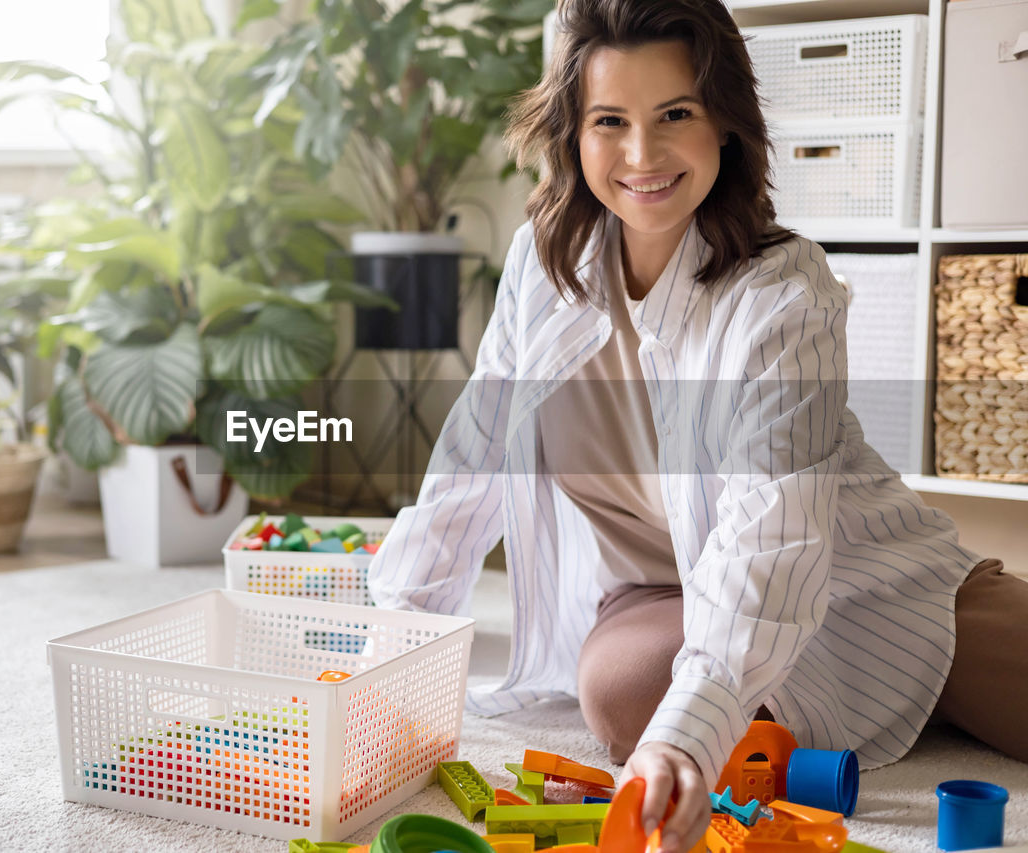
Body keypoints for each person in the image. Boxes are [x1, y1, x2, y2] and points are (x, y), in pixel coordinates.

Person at [366, 1, 1028, 852]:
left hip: (867, 586)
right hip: (666, 598)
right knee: (616, 689)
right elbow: (476, 453)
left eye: (674, 114)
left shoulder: (784, 296)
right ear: (573, 132)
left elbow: (772, 539)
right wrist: (392, 646)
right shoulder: (543, 262)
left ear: (725, 121)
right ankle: (783, 703)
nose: (642, 156)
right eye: (610, 122)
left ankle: (874, 693)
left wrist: (687, 733)